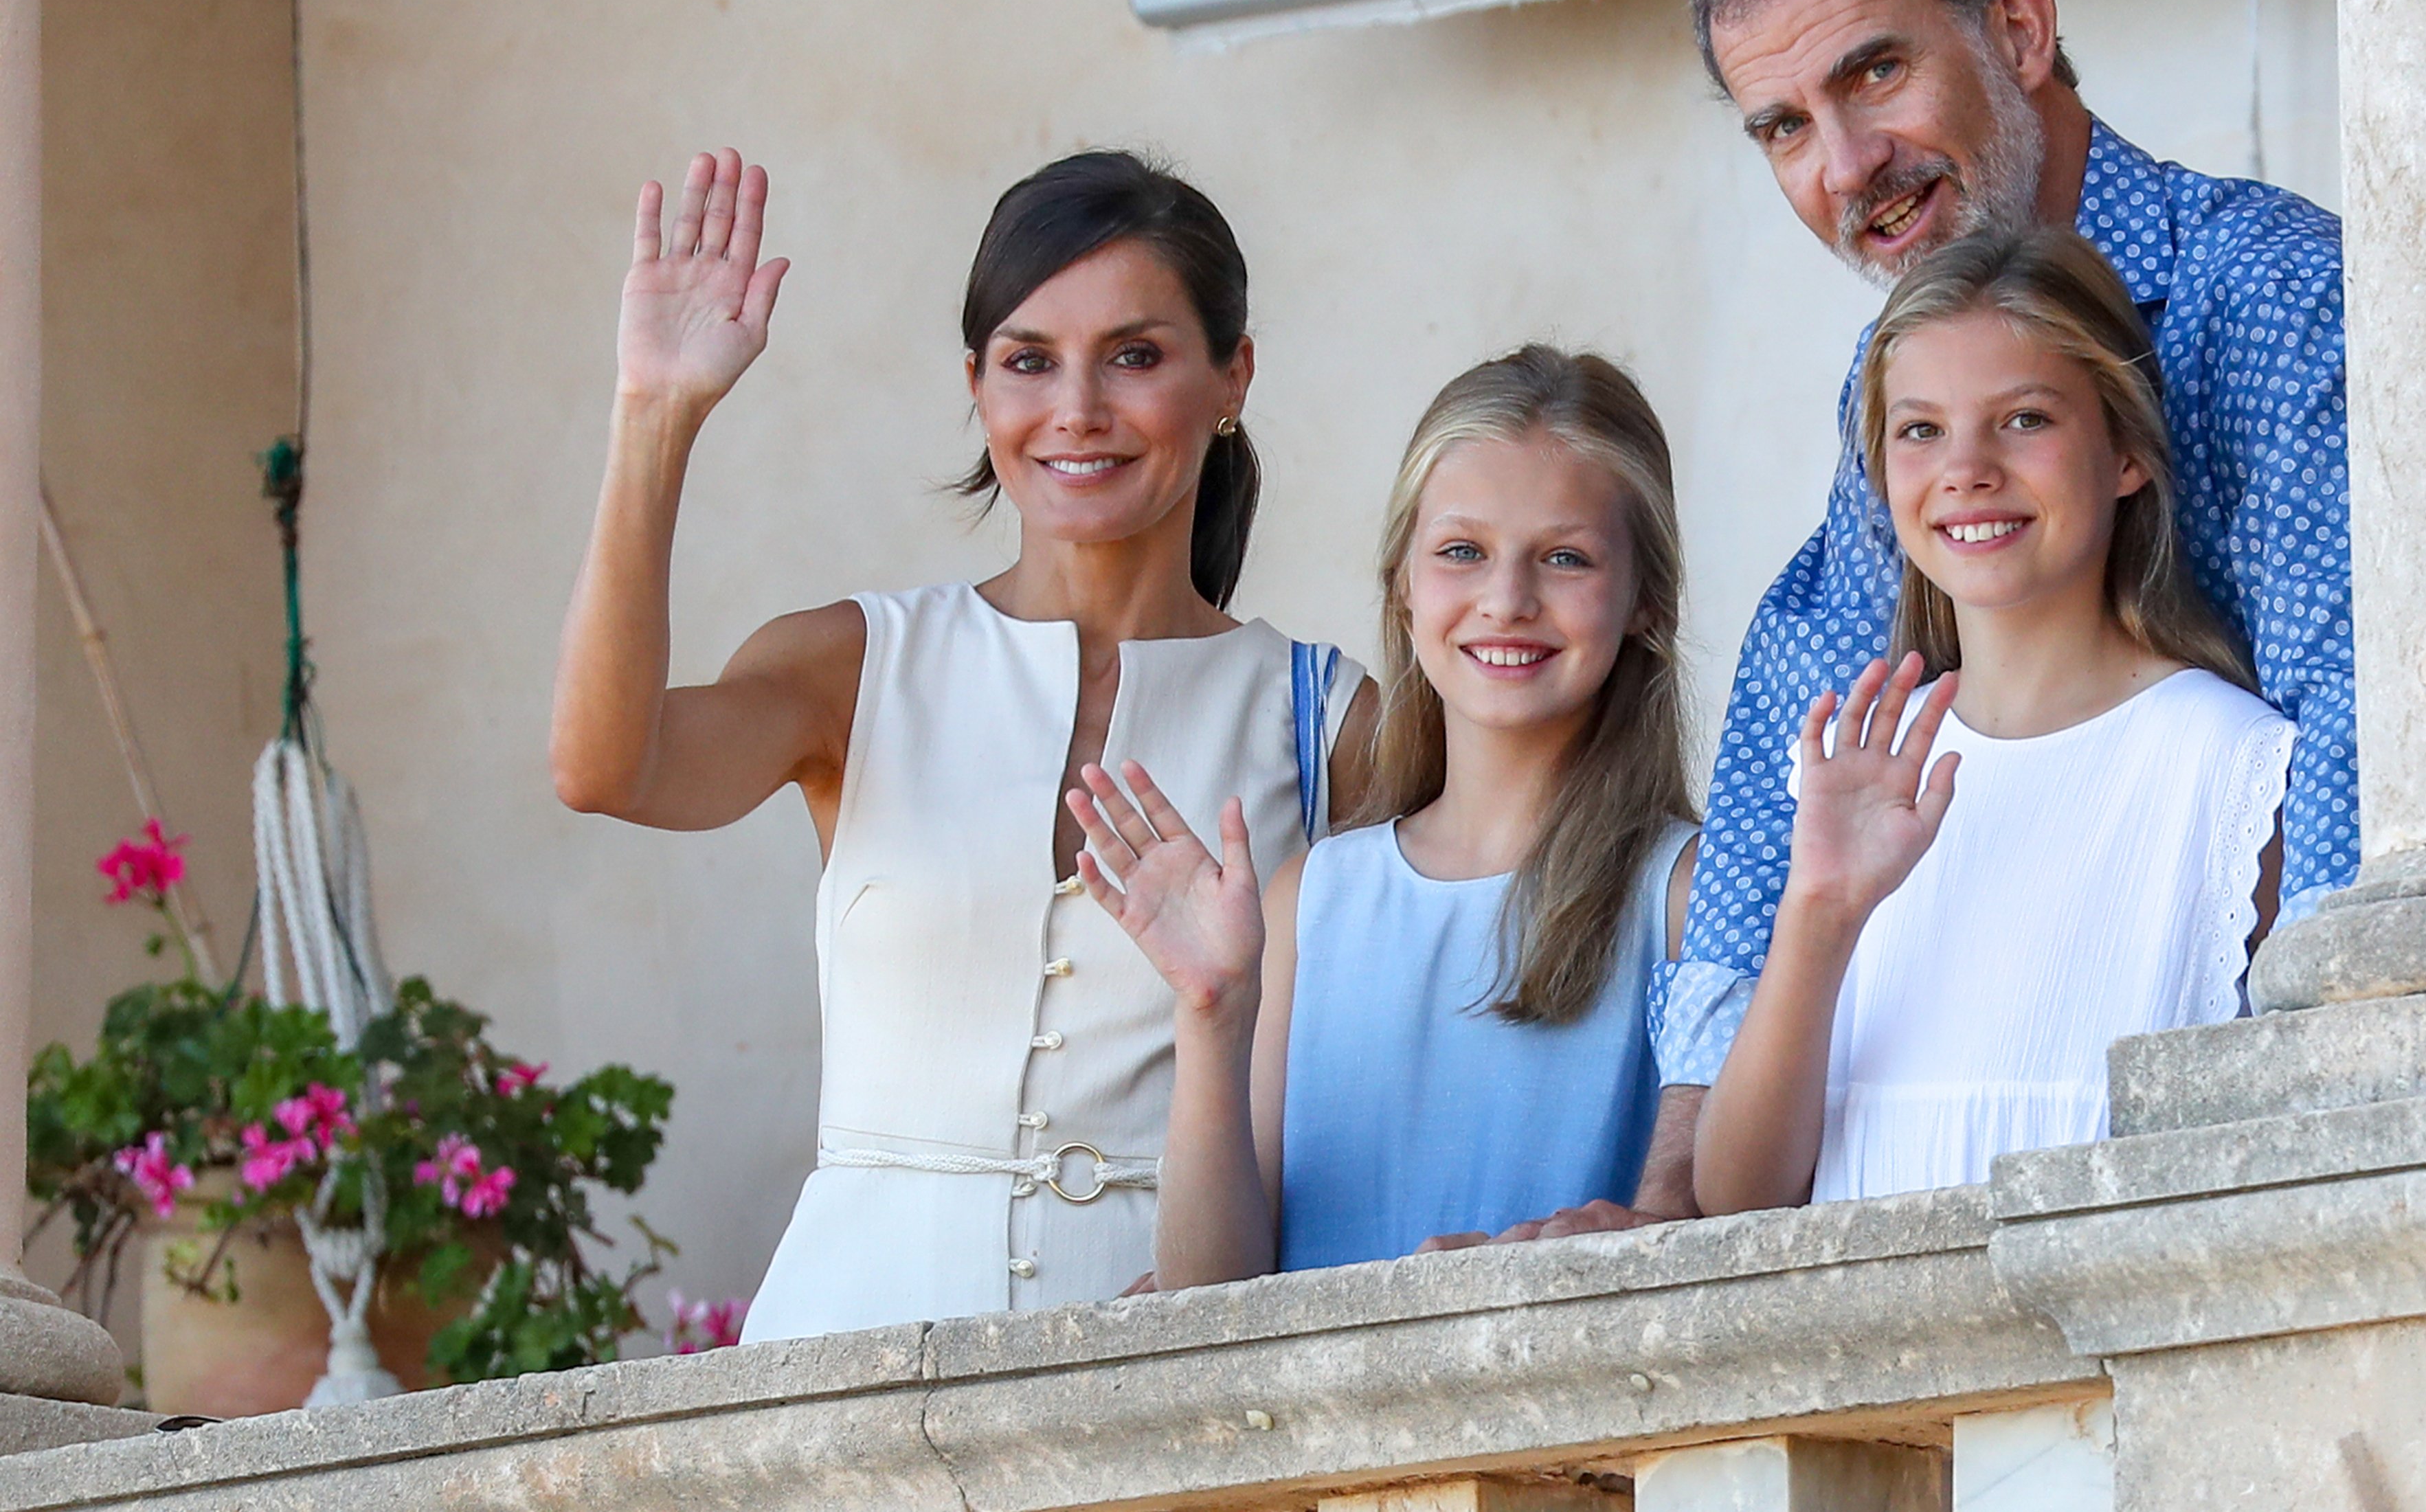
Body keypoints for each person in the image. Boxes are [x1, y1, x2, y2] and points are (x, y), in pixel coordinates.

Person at [550, 146, 1372, 1340]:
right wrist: (654, 414)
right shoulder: (853, 664)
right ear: (978, 388)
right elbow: (604, 767)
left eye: (1134, 356)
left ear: (1232, 375)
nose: (1077, 410)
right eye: (1029, 362)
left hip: (1165, 1381)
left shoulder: (1328, 717)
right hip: (839, 1367)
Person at [1649, 0, 2352, 1183]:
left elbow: (2350, 761)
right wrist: (1671, 1190)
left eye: (1870, 72)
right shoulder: (1883, 374)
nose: (1847, 165)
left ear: (2016, 31)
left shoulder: (2272, 295)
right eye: (1783, 127)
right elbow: (1792, 740)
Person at [1070, 346, 1698, 1284]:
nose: (1507, 600)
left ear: (1645, 597)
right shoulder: (1310, 900)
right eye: (1461, 552)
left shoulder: (1689, 892)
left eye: (1565, 558)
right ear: (1403, 585)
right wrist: (1211, 1010)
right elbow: (1208, 1294)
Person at [1694, 227, 2289, 1210]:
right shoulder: (1855, 769)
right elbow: (1738, 1198)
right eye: (1920, 430)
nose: (1965, 468)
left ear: (2128, 452)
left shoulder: (2229, 771)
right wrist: (1822, 911)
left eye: (2022, 420)